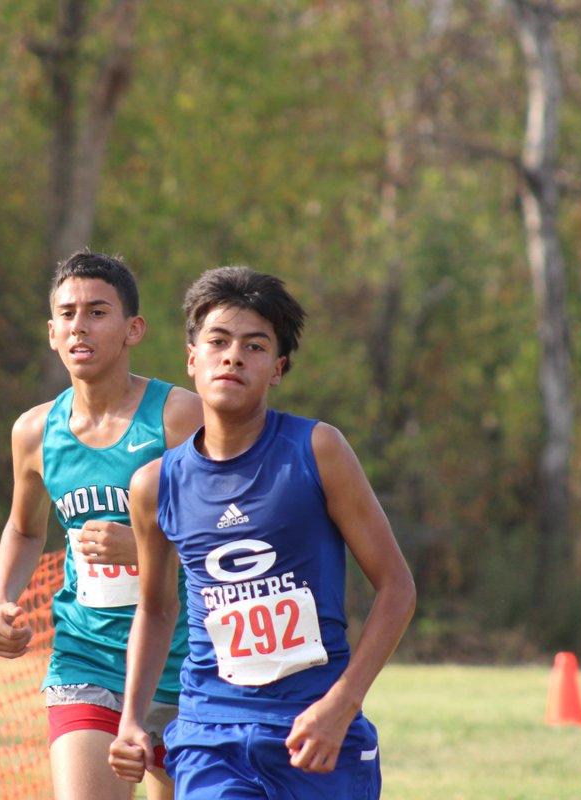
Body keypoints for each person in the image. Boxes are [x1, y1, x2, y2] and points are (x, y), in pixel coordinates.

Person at [109, 267, 416, 799]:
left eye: (254, 346)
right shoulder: (154, 486)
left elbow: (397, 587)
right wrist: (131, 719)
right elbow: (156, 610)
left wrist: (341, 704)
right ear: (192, 358)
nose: (233, 357)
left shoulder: (318, 451)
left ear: (277, 368)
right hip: (210, 736)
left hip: (315, 734)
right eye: (218, 342)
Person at [0, 250, 203, 800]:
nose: (79, 325)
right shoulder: (35, 431)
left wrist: (148, 546)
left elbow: (234, 528)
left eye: (97, 312)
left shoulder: (179, 417)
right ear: (52, 333)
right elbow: (25, 529)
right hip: (88, 657)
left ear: (134, 329)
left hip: (188, 661)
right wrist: (2, 599)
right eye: (67, 314)